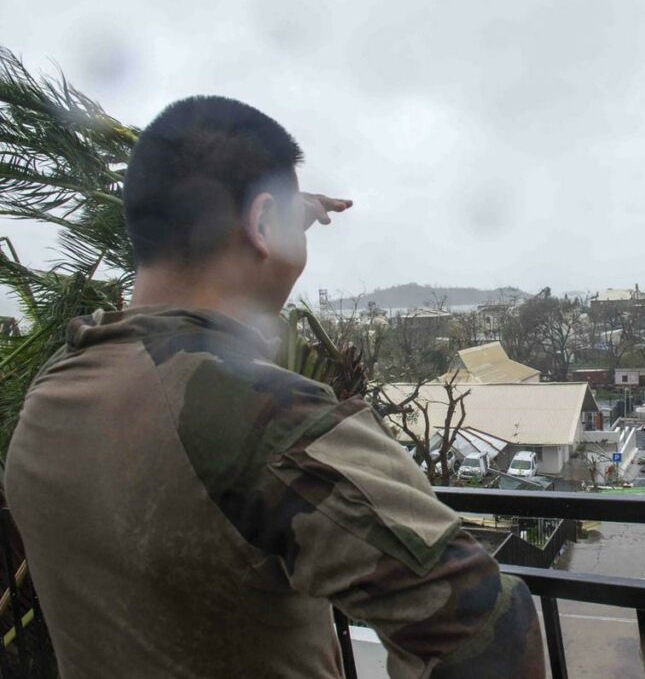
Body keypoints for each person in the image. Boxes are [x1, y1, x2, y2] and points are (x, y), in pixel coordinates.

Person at [5, 96, 543, 678]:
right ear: (263, 225)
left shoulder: (56, 385)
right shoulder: (261, 416)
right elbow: (485, 625)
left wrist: (276, 215)